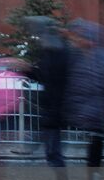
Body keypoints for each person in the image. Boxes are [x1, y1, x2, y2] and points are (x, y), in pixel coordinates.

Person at [64, 20, 104, 172]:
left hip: (98, 115)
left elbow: (102, 85)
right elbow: (77, 84)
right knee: (94, 154)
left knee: (95, 155)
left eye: (83, 37)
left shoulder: (99, 58)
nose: (79, 40)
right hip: (92, 114)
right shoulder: (82, 57)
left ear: (92, 40)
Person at [22, 18, 72, 167]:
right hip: (53, 106)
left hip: (56, 107)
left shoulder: (58, 51)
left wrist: (30, 70)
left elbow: (54, 79)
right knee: (52, 150)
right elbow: (45, 77)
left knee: (53, 152)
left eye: (40, 35)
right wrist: (28, 70)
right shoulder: (50, 51)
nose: (39, 39)